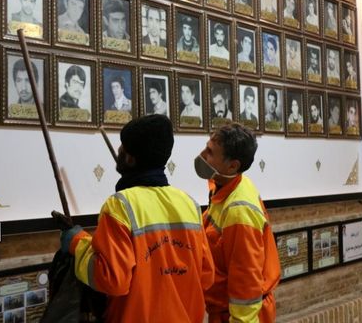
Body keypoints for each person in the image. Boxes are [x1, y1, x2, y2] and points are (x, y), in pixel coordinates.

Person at [59, 114, 215, 323]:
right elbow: (206, 276)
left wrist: (77, 243)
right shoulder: (189, 204)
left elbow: (112, 279)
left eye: (123, 146)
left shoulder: (120, 206)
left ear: (130, 159)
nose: (119, 150)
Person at [196, 123, 280, 322]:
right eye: (206, 147)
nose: (202, 155)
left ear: (232, 166)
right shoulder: (226, 184)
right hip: (222, 309)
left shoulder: (239, 211)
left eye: (210, 152)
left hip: (237, 315)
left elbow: (246, 284)